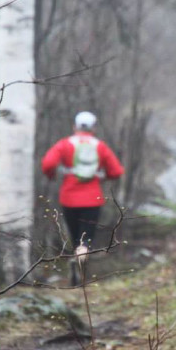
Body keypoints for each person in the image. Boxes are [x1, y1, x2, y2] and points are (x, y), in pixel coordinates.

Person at [41, 111, 124, 266]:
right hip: (93, 198)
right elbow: (117, 171)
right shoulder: (100, 146)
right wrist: (103, 177)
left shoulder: (64, 144)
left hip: (69, 198)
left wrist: (51, 175)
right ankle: (82, 261)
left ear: (75, 126)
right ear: (94, 128)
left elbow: (48, 164)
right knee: (86, 239)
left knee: (75, 236)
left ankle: (75, 260)